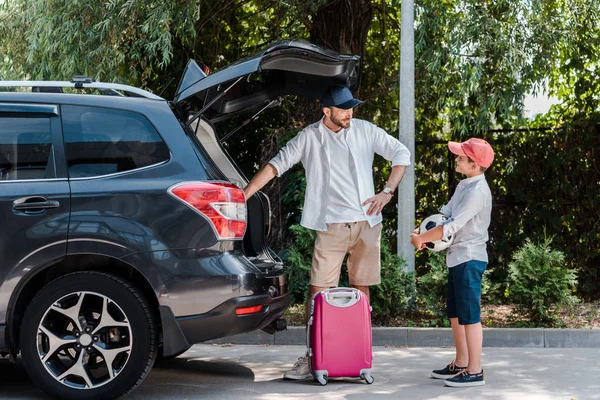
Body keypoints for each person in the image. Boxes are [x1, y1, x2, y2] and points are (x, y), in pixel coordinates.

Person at [243, 85, 411, 380]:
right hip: (331, 226)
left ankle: (360, 354)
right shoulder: (310, 137)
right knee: (319, 291)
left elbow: (401, 153)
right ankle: (312, 357)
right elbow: (276, 165)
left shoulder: (363, 129)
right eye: (344, 109)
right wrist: (244, 195)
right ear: (326, 111)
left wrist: (387, 191)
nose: (350, 113)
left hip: (367, 224)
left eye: (351, 107)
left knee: (362, 289)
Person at [410, 137, 494, 387]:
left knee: (470, 316)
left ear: (475, 164)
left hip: (470, 258)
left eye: (461, 157)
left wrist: (421, 239)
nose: (456, 159)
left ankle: (475, 371)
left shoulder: (478, 192)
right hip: (457, 257)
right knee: (456, 314)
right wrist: (420, 231)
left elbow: (451, 226)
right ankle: (461, 363)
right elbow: (445, 214)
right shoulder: (464, 185)